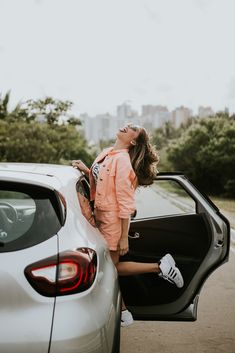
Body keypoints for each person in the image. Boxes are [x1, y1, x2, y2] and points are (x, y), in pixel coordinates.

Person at [72, 123, 184, 327]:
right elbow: (104, 182)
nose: (126, 126)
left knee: (110, 267)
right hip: (100, 216)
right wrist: (87, 169)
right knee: (108, 268)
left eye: (132, 128)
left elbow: (125, 204)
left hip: (113, 220)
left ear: (132, 141)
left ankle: (159, 268)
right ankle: (124, 309)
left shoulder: (123, 162)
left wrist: (124, 236)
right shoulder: (107, 153)